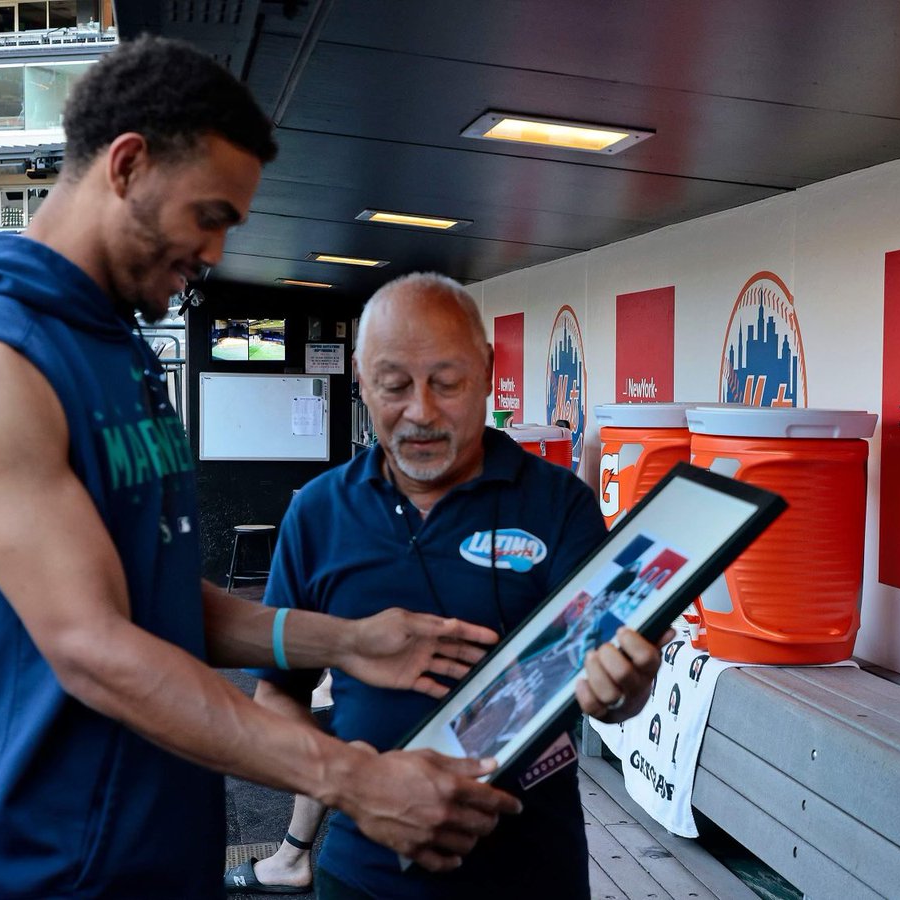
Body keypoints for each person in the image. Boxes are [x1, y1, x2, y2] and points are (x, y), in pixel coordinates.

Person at [0, 37, 522, 900]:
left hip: (140, 852)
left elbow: (155, 592)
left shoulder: (112, 346)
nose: (214, 252)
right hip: (16, 868)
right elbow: (94, 646)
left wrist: (350, 641)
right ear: (129, 164)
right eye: (208, 215)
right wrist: (354, 779)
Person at [237, 273, 668, 899]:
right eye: (393, 385)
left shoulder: (560, 505)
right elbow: (276, 700)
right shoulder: (318, 513)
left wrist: (624, 690)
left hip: (532, 871)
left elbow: (618, 682)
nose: (421, 411)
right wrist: (353, 781)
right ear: (359, 379)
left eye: (447, 382)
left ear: (489, 370)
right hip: (366, 874)